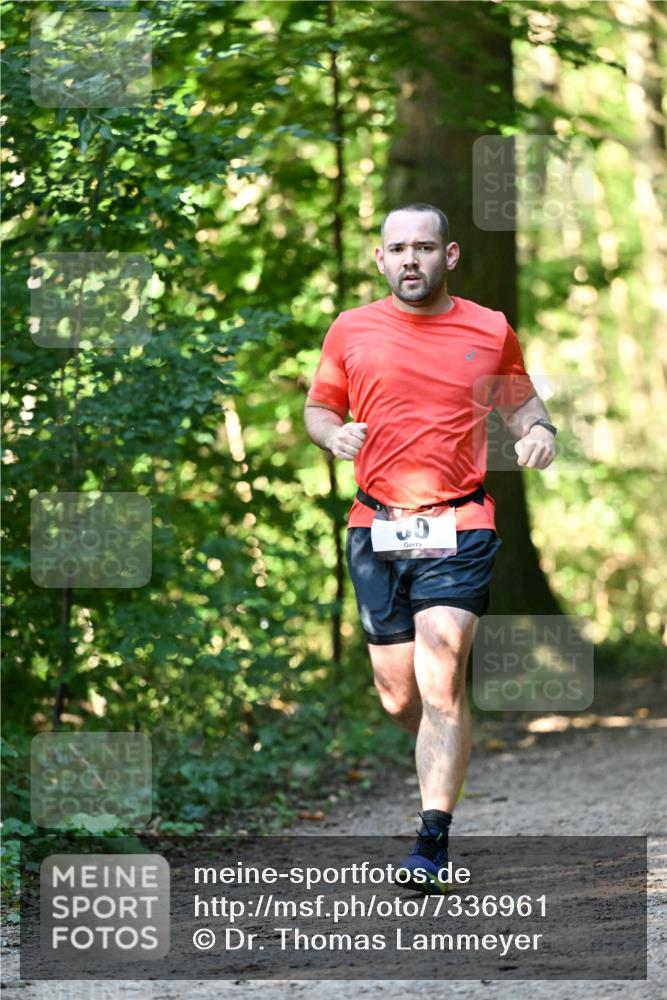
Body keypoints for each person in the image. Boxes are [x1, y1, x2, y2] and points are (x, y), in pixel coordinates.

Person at [303, 203, 556, 893]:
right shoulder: (350, 329)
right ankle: (446, 742)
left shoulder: (488, 328)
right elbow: (320, 407)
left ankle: (430, 841)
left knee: (440, 677)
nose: (409, 259)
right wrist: (332, 435)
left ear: (449, 255)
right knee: (400, 697)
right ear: (379, 258)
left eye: (422, 247)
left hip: (459, 523)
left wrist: (540, 431)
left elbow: (521, 403)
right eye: (397, 248)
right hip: (375, 526)